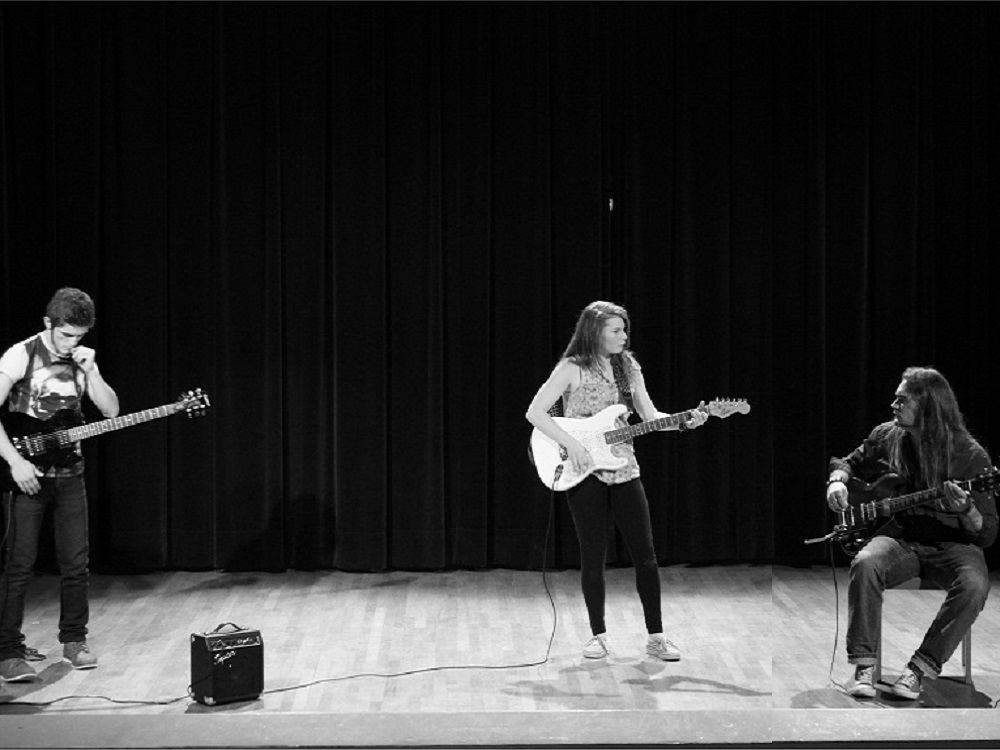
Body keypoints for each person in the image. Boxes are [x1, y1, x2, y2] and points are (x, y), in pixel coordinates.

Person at [525, 300, 706, 661]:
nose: (624, 336)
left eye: (624, 329)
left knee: (646, 555)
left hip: (624, 468)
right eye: (616, 330)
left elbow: (650, 415)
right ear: (595, 332)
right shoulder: (571, 368)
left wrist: (686, 420)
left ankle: (656, 637)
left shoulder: (628, 368)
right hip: (585, 471)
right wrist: (572, 444)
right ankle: (597, 635)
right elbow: (535, 412)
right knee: (593, 555)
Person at [826, 366, 997, 700]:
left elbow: (987, 533)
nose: (894, 404)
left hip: (953, 544)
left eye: (902, 400)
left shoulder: (971, 456)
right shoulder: (886, 436)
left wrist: (966, 509)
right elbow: (848, 462)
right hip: (902, 537)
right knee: (866, 563)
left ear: (929, 408)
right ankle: (864, 667)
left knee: (975, 584)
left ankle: (917, 671)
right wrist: (837, 481)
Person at [0, 288, 119, 683]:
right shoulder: (22, 355)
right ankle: (8, 651)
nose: (72, 343)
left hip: (70, 474)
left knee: (76, 564)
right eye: (66, 335)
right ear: (48, 324)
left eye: (79, 336)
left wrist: (93, 372)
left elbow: (111, 410)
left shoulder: (83, 361)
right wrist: (15, 462)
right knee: (19, 567)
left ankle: (74, 640)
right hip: (28, 476)